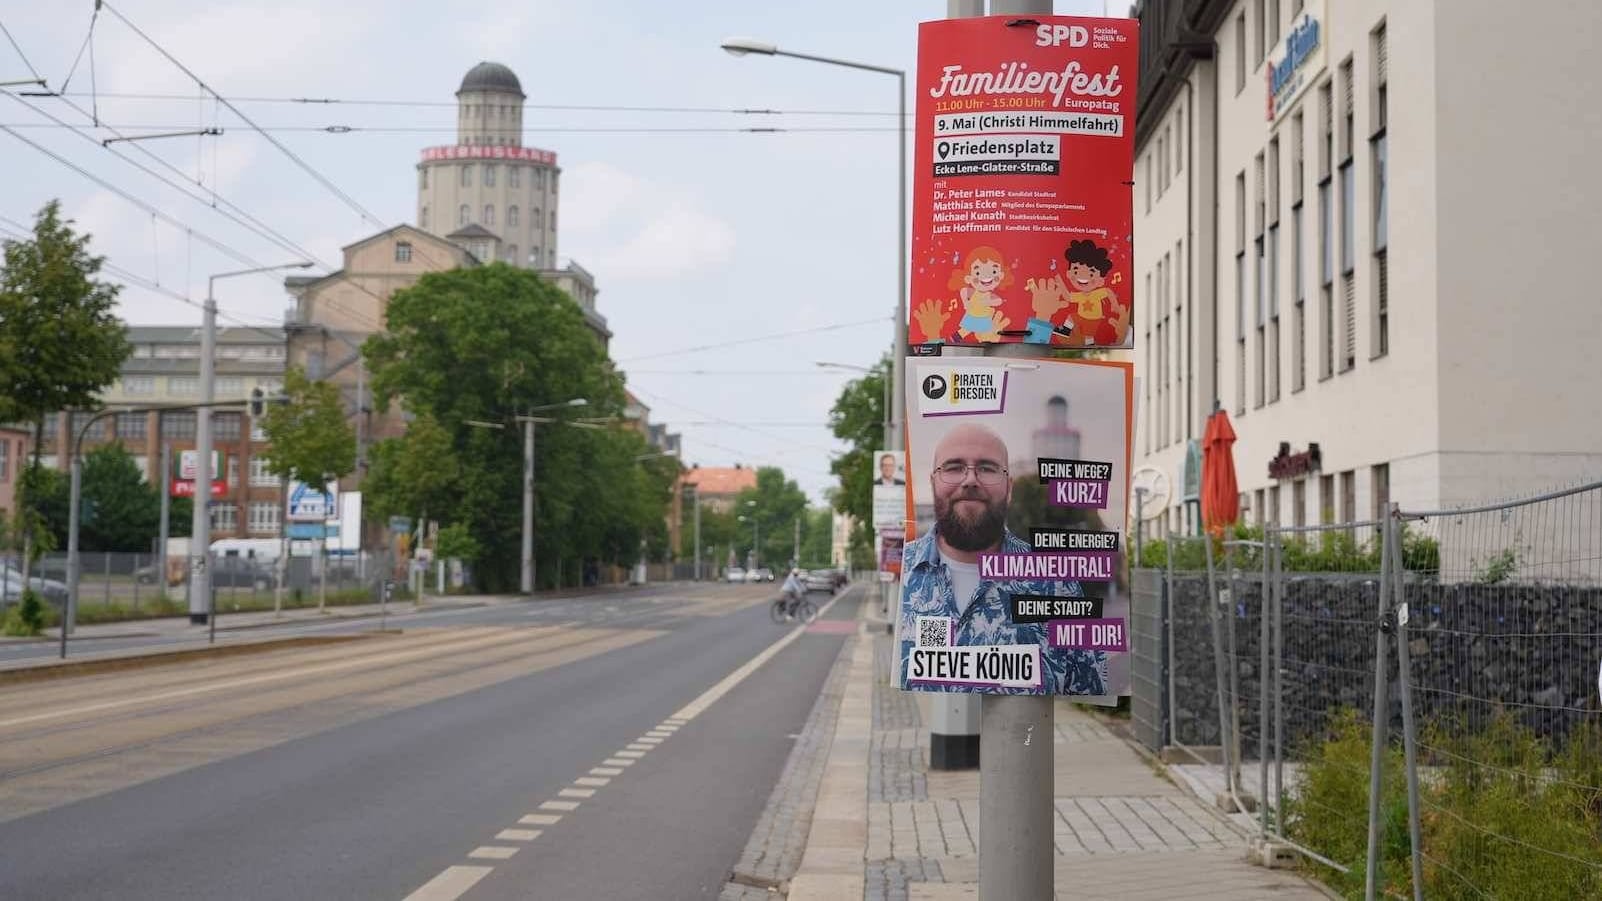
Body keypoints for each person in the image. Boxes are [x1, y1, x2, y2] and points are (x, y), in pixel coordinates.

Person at [897, 422, 1108, 695]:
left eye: (986, 468)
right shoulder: (900, 577)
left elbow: (1090, 691)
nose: (970, 479)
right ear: (933, 482)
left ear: (1008, 489)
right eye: (953, 467)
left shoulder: (1057, 586)